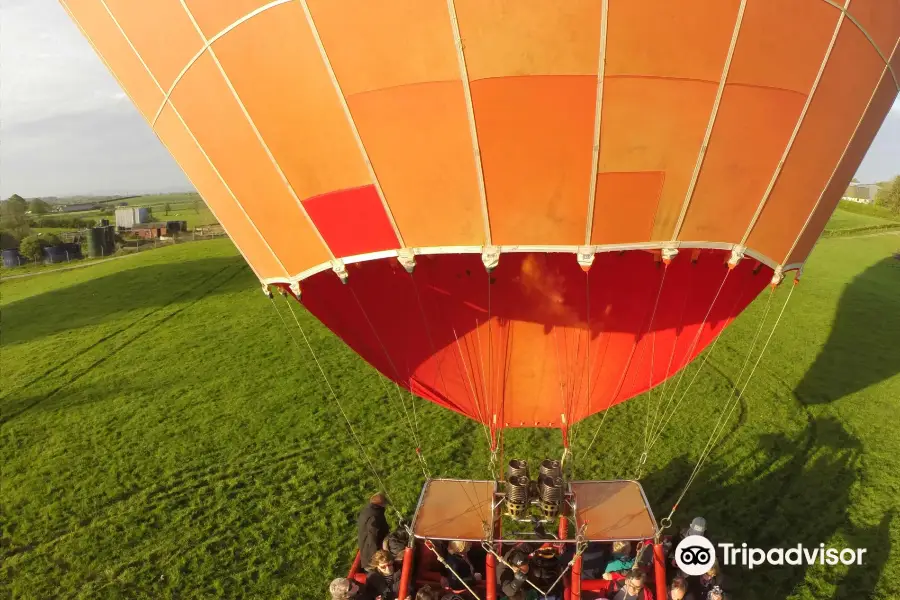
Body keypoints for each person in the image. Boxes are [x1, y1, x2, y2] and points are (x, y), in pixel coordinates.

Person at [358, 492, 390, 570]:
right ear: (381, 504)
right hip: (370, 557)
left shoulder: (368, 510)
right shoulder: (374, 517)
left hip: (366, 550)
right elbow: (372, 538)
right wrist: (376, 558)